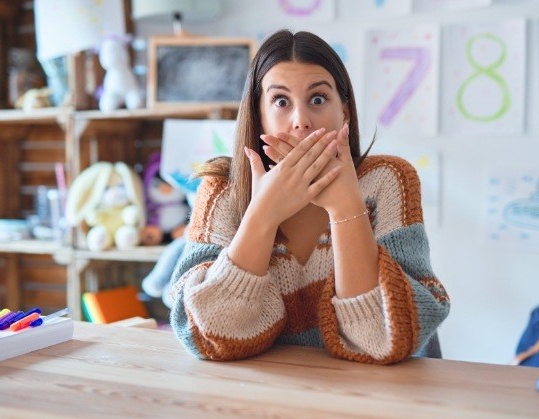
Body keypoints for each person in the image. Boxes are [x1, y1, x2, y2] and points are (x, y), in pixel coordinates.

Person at [169, 29, 450, 364]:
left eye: (317, 99)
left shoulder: (387, 180)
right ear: (258, 114)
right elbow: (208, 338)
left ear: (344, 112)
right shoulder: (221, 192)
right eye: (281, 101)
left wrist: (346, 206)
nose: (301, 121)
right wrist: (263, 213)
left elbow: (382, 340)